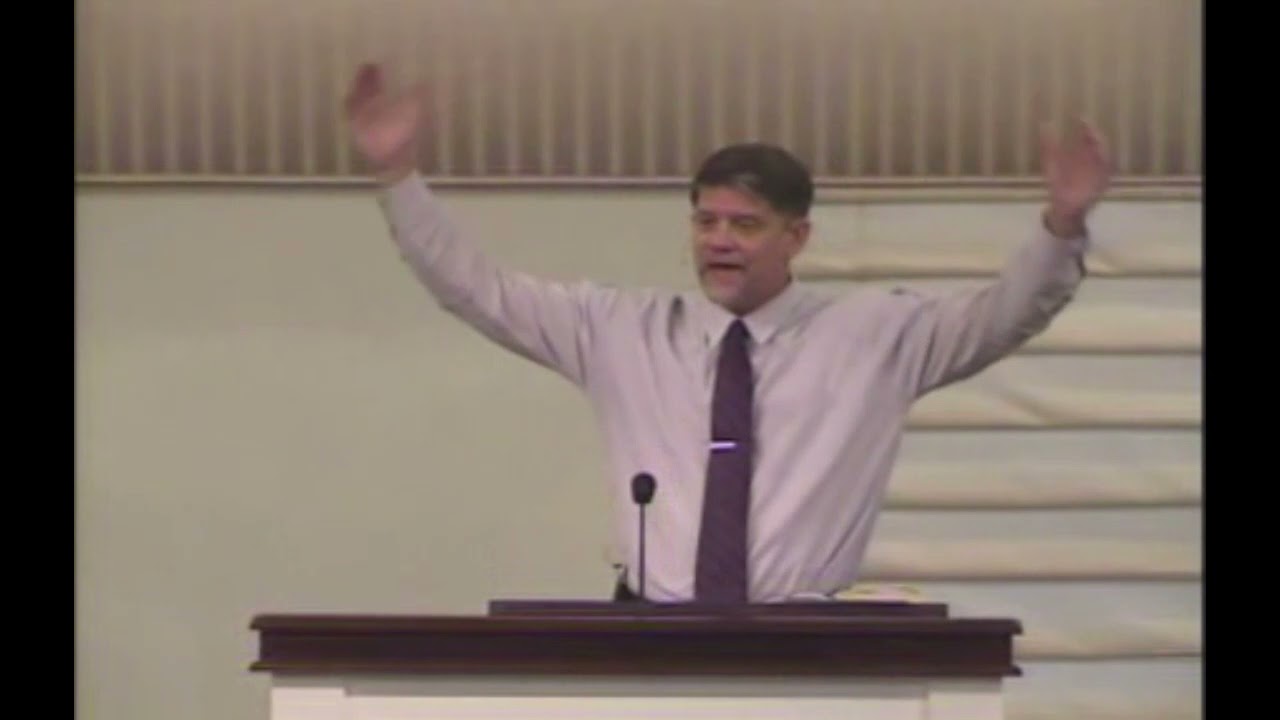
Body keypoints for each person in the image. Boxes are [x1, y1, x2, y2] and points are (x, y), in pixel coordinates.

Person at [345, 63, 1111, 604]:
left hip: (805, 647)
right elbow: (474, 289)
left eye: (745, 225)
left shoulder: (876, 336)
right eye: (706, 221)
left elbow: (1008, 313)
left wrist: (1064, 223)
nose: (719, 241)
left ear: (796, 237)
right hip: (647, 636)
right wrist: (397, 179)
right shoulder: (618, 330)